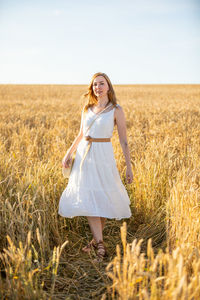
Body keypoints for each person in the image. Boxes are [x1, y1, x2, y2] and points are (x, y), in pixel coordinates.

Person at [58, 72, 133, 262]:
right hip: (85, 155)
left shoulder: (116, 110)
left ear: (108, 86)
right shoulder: (87, 108)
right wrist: (68, 153)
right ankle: (100, 245)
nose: (97, 87)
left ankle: (95, 240)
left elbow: (124, 141)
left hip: (104, 155)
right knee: (88, 195)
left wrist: (128, 167)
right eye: (94, 85)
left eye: (101, 84)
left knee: (103, 196)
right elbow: (81, 134)